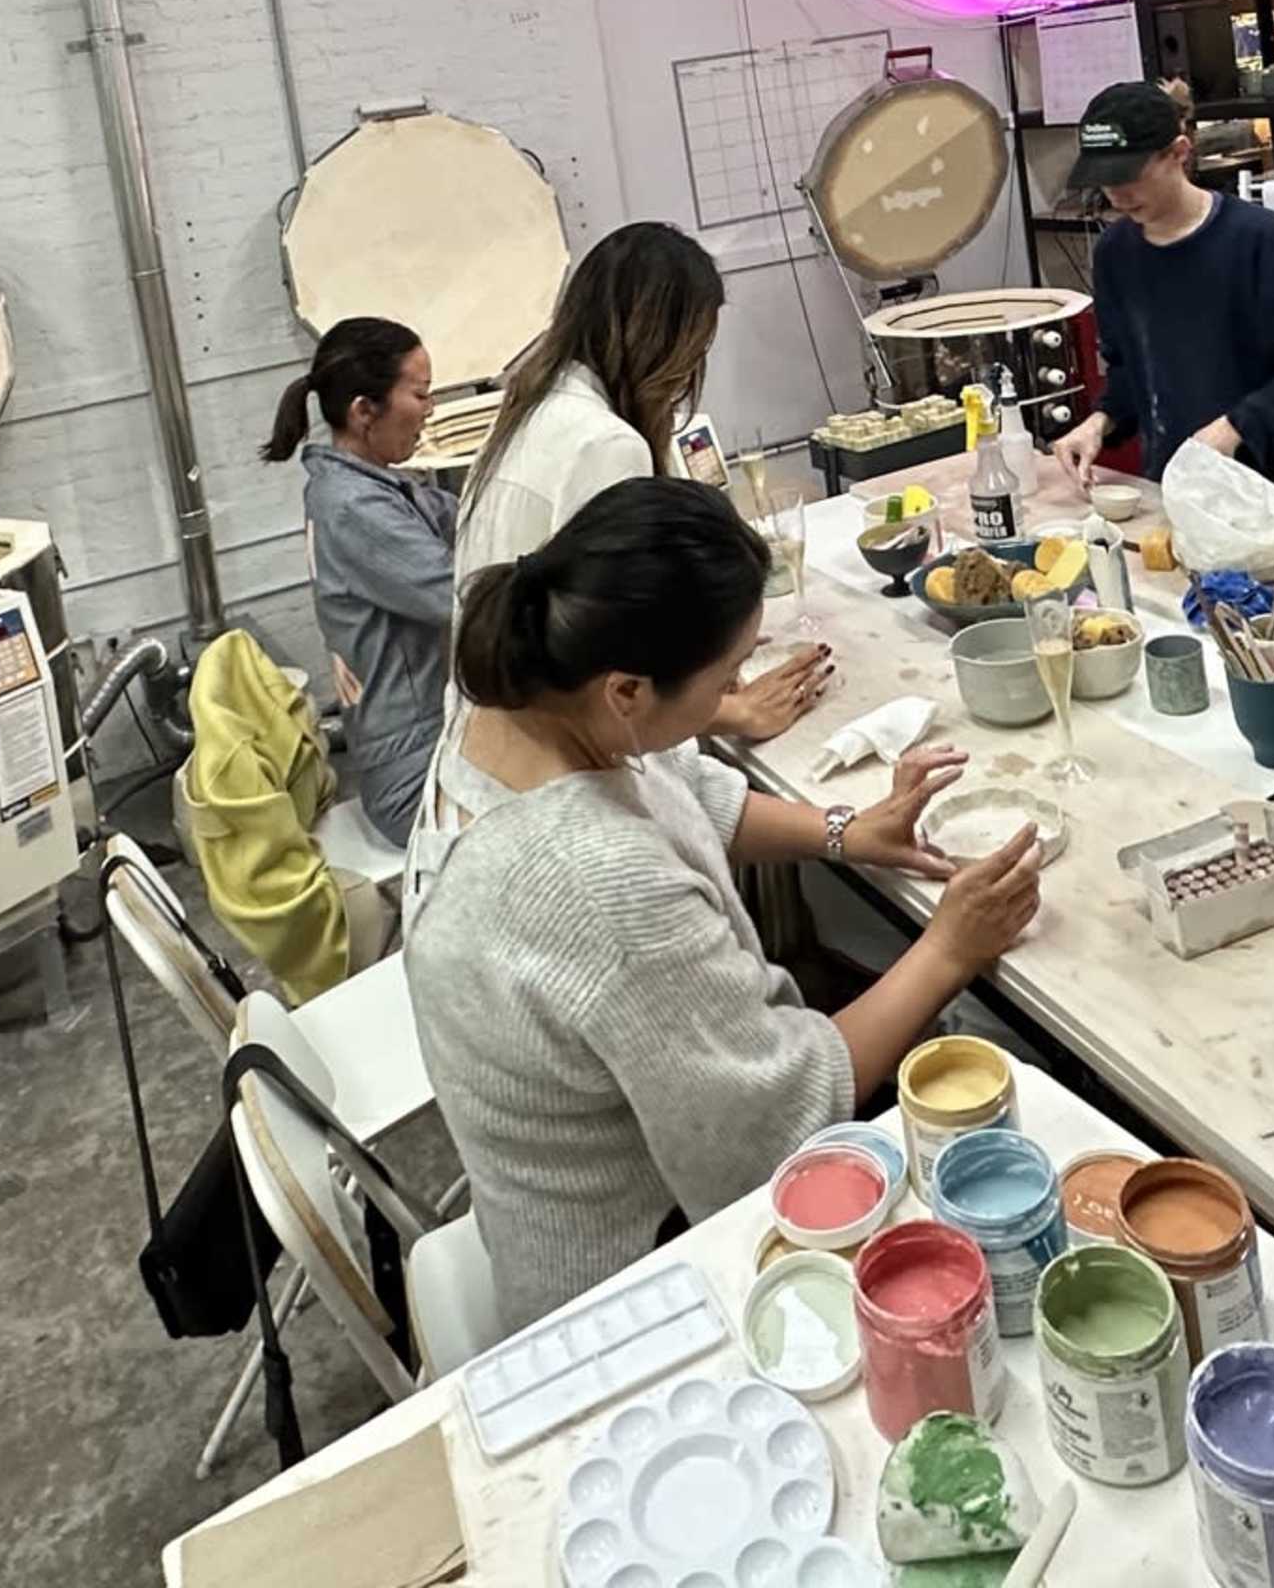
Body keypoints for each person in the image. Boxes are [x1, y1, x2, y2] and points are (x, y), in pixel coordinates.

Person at [408, 478, 1044, 1331]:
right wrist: (947, 949)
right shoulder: (600, 884)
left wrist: (849, 831)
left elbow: (680, 788)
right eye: (725, 677)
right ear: (628, 691)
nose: (735, 694)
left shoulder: (532, 702)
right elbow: (779, 1125)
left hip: (616, 1173)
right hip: (646, 1297)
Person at [453, 220, 828, 744]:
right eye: (692, 357)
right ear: (658, 343)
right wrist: (728, 708)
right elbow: (607, 665)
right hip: (552, 745)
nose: (688, 380)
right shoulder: (605, 444)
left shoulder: (528, 404)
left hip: (487, 732)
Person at [1051, 79, 1274, 522]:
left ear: (1179, 152)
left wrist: (1236, 427)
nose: (1117, 195)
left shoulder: (1258, 240)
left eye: (1129, 176)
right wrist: (1101, 421)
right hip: (1180, 498)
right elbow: (1132, 372)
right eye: (1104, 182)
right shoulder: (1115, 254)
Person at [260, 316, 454, 845]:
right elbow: (466, 596)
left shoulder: (362, 485)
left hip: (426, 748)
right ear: (364, 411)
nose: (430, 410)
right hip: (416, 778)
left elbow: (461, 512)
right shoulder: (353, 506)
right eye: (421, 394)